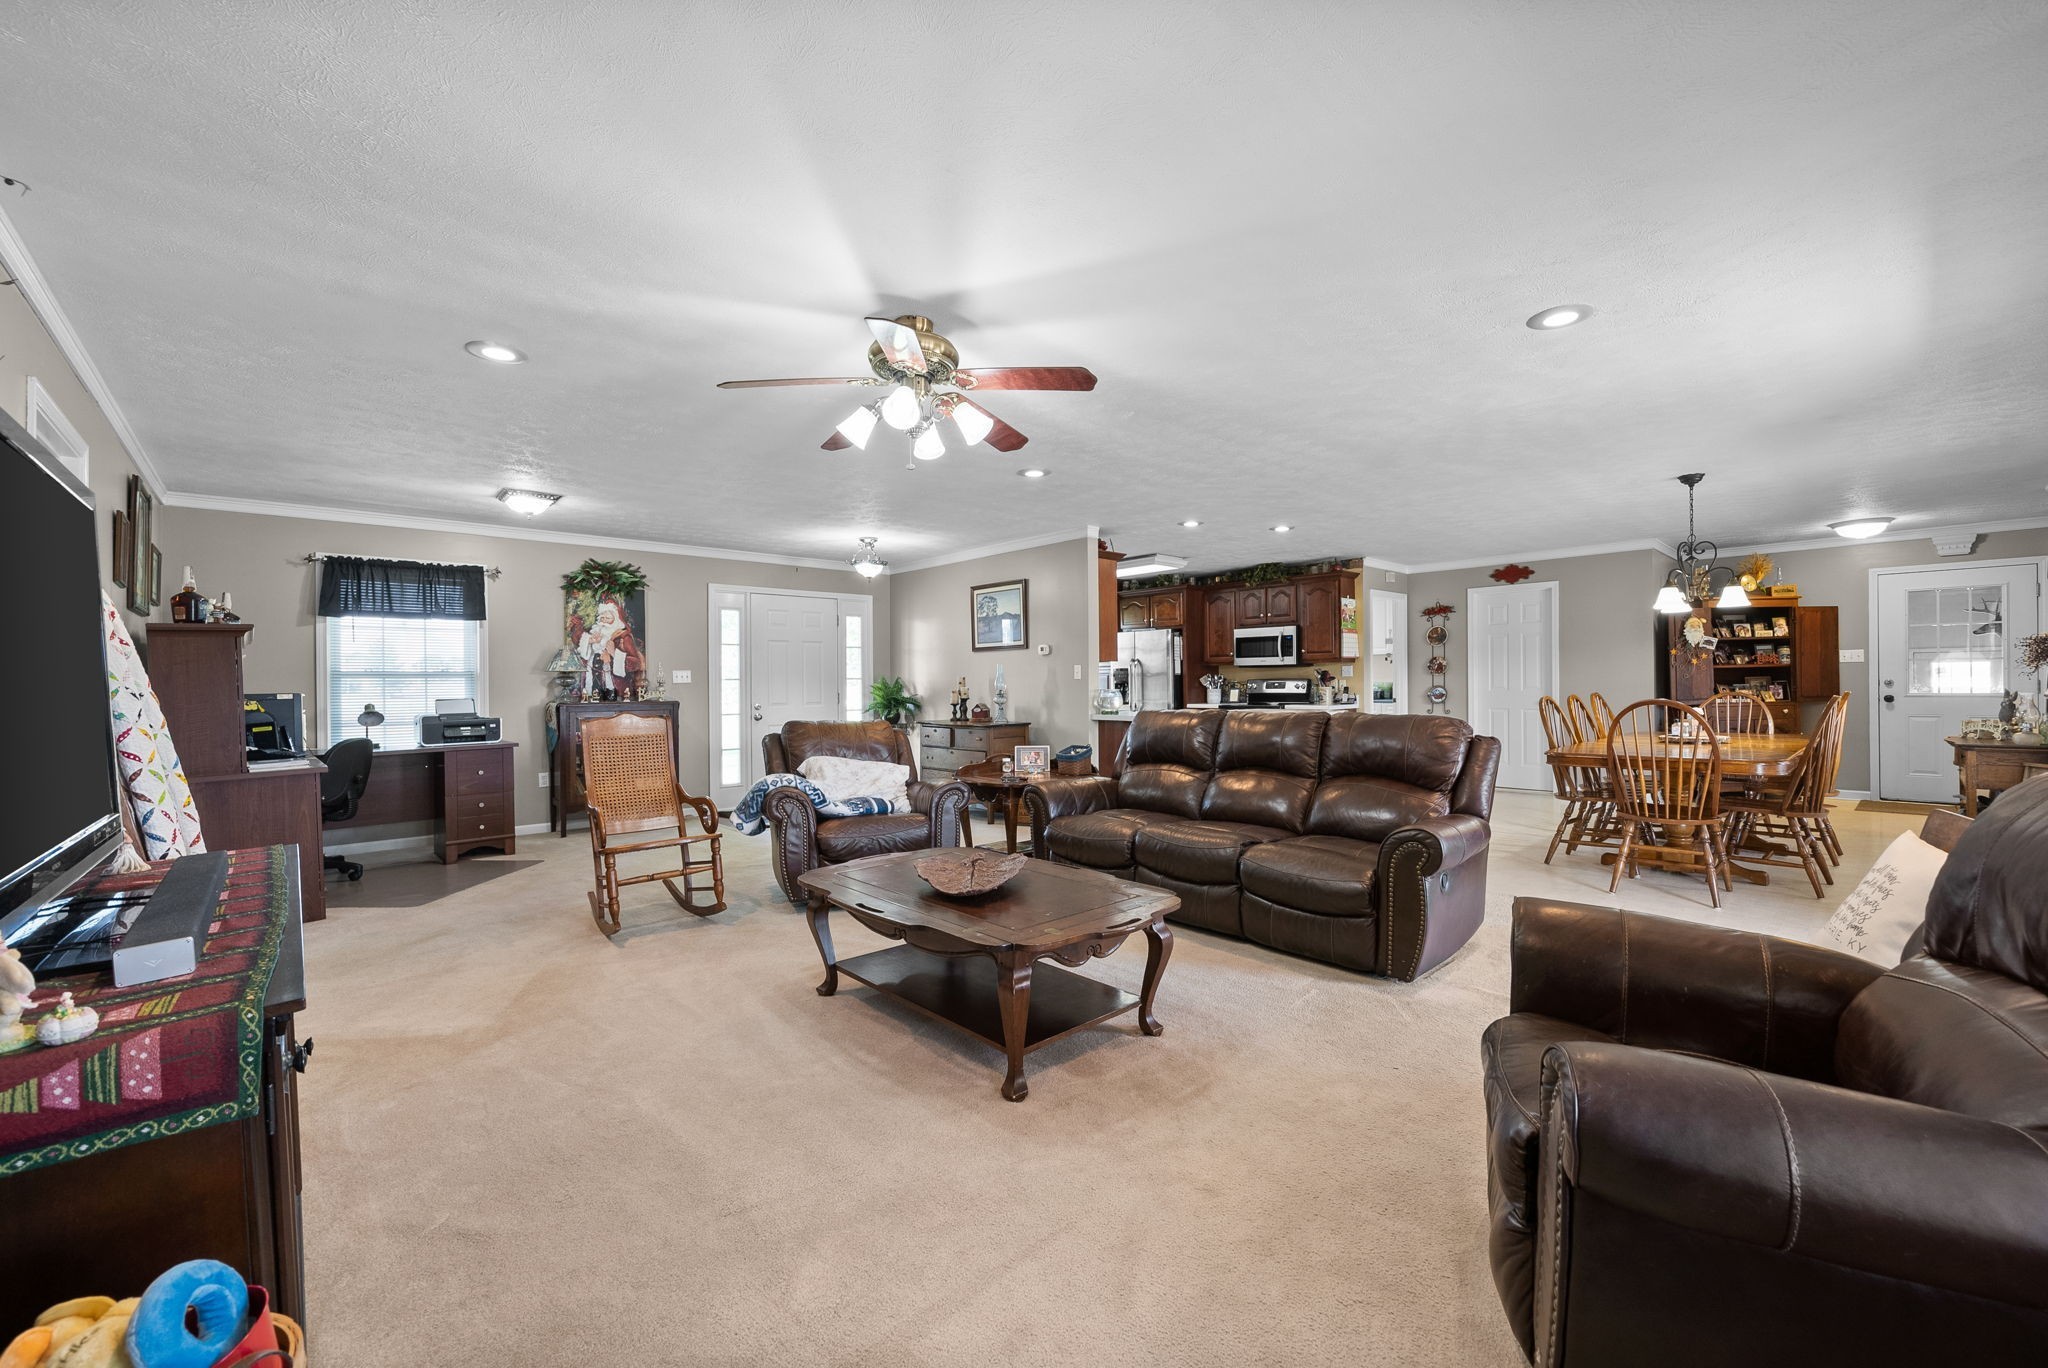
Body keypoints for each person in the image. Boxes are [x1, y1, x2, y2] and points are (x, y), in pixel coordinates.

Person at [575, 596, 645, 700]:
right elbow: (582, 656)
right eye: (602, 618)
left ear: (616, 620)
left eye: (608, 618)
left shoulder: (623, 637)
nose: (604, 622)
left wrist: (614, 654)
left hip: (615, 687)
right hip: (591, 683)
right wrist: (589, 642)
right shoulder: (594, 634)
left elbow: (636, 663)